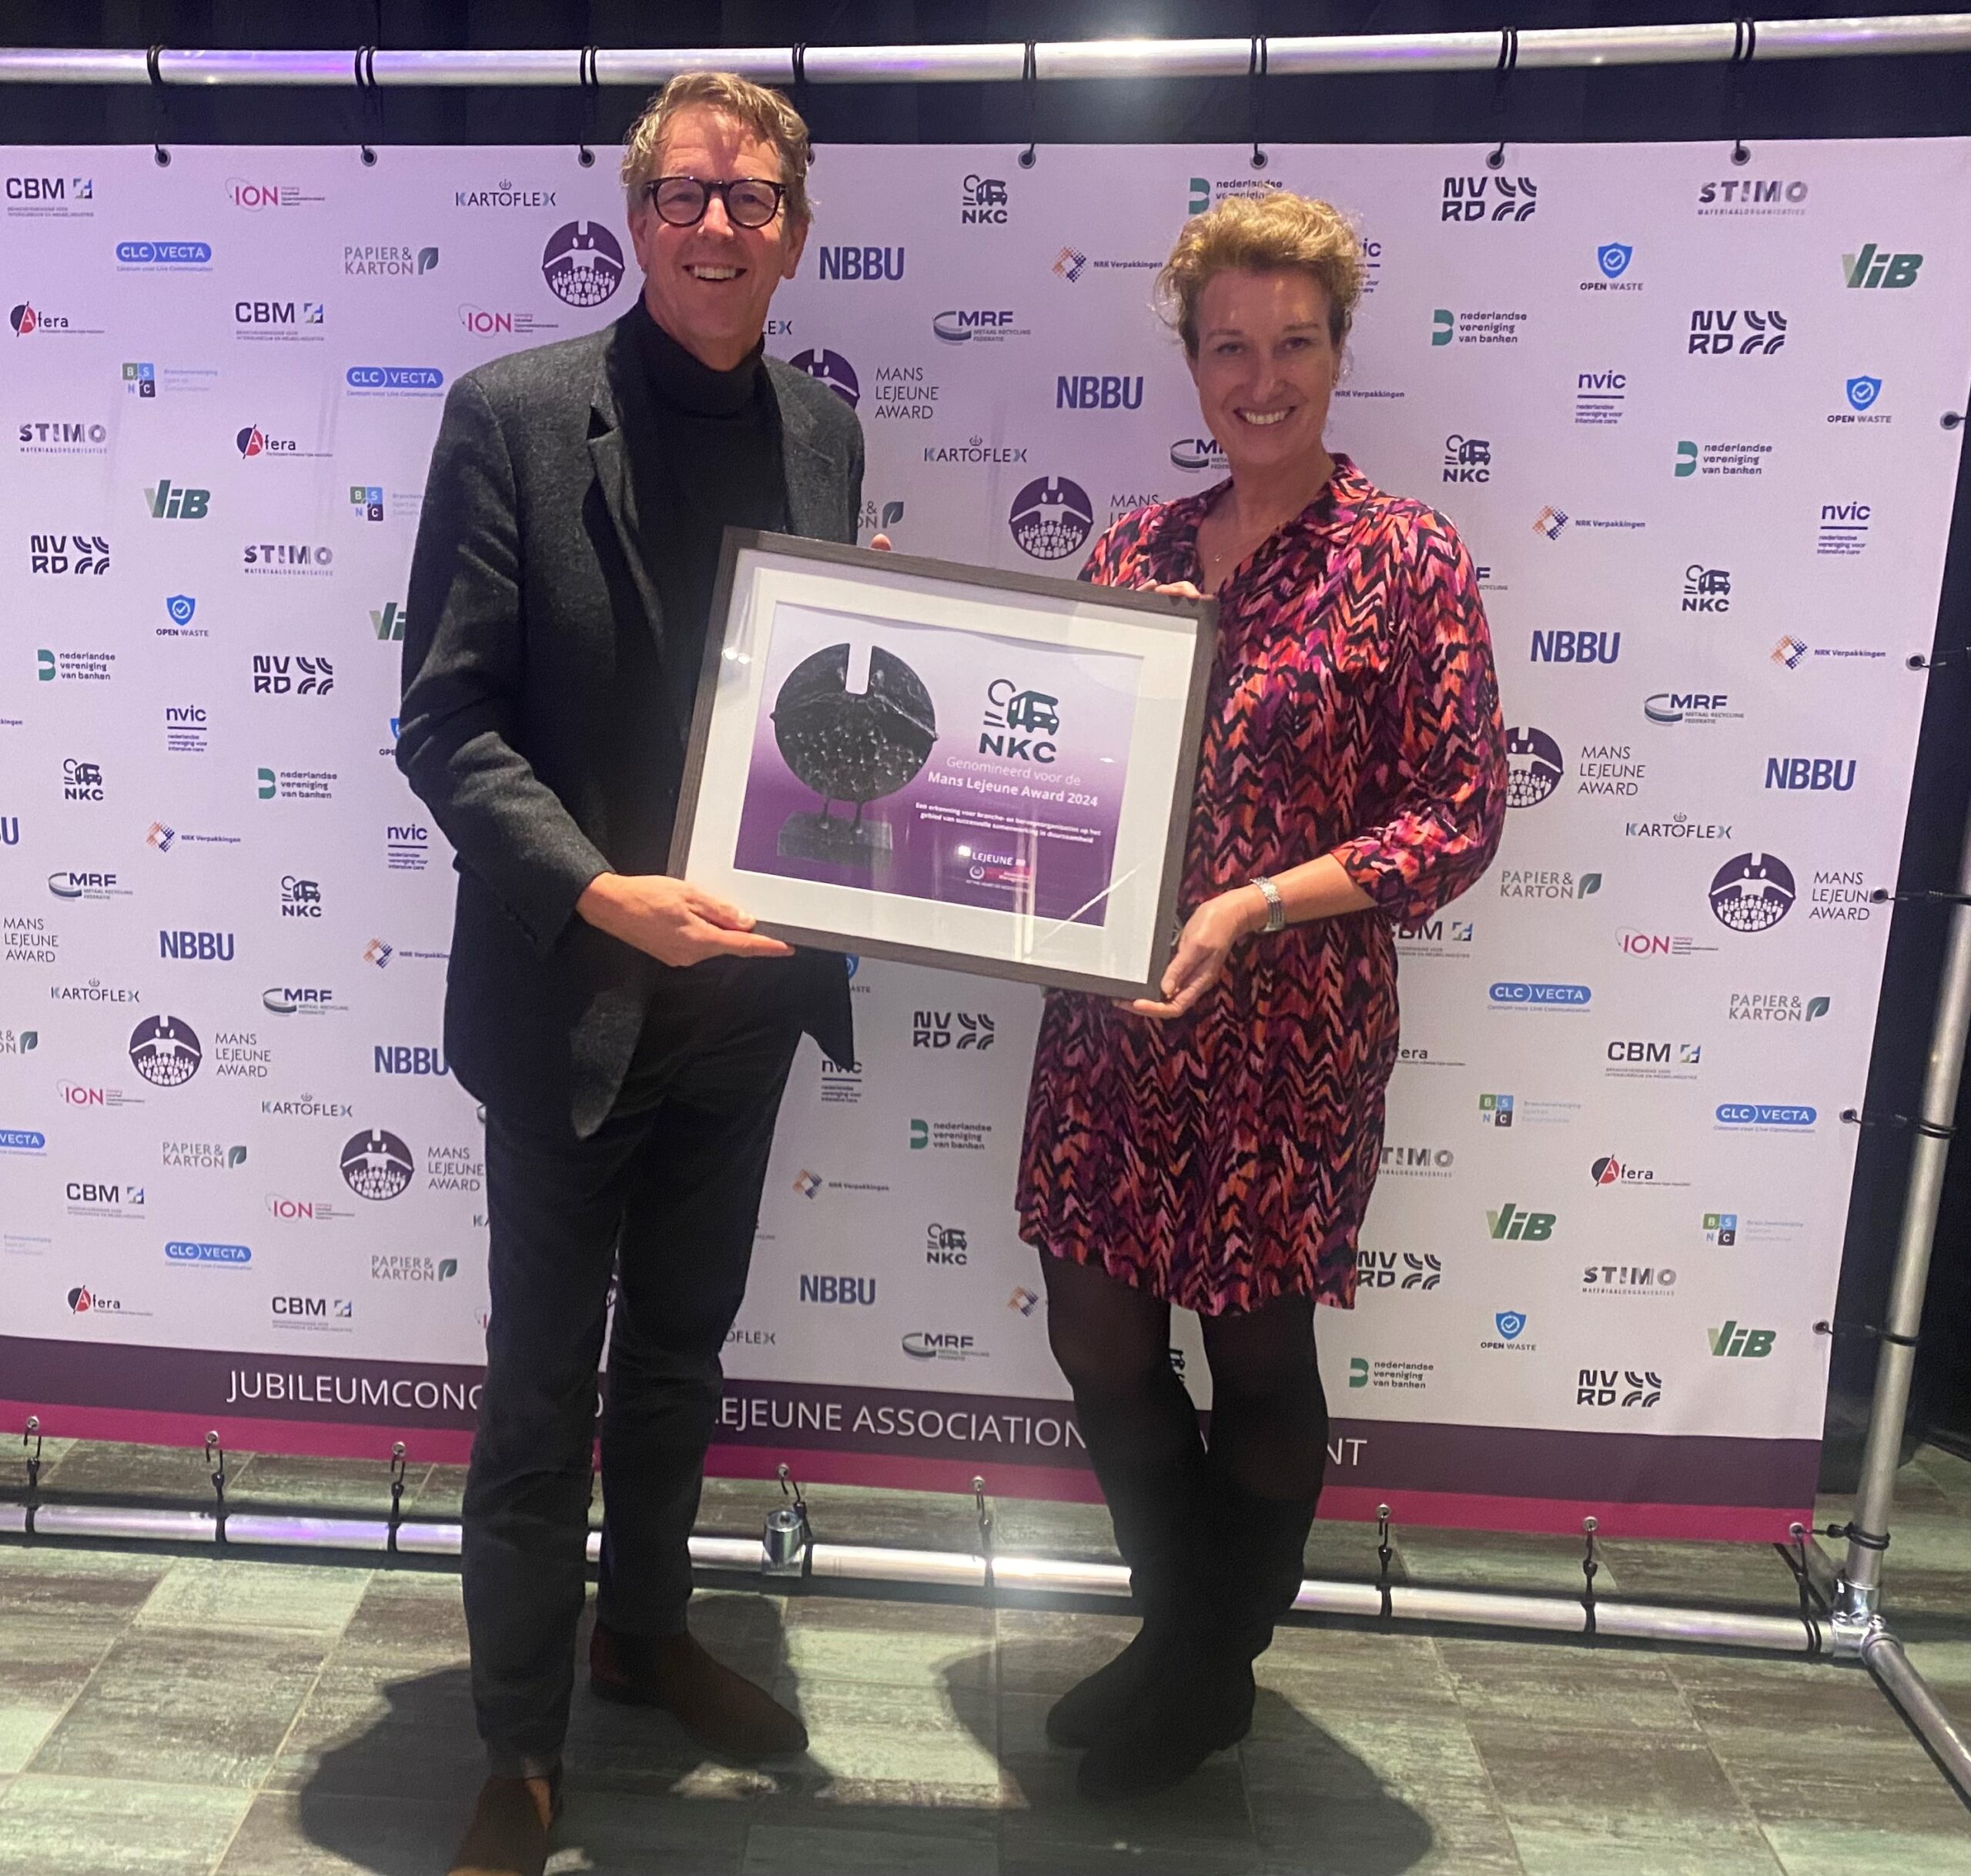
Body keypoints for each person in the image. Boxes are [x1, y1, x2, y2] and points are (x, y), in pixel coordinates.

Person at [397, 73, 868, 1876]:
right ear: (634, 216)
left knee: (677, 1354)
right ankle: (517, 1743)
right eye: (683, 191)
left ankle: (643, 1633)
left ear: (795, 232)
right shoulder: (512, 418)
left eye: (751, 197)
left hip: (746, 998)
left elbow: (823, 713)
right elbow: (447, 724)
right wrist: (603, 895)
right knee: (539, 1389)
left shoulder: (826, 431)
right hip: (572, 998)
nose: (716, 223)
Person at [1018, 191, 1509, 1800]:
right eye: (1228, 346)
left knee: (1257, 1349)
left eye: (1294, 342)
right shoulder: (1132, 550)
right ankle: (1186, 1642)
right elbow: (1054, 772)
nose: (1261, 378)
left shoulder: (1407, 559)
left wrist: (1253, 902)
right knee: (1095, 1330)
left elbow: (1456, 815)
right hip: (1114, 1012)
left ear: (1339, 350)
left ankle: (1200, 1665)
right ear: (1191, 362)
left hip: (1290, 1026)